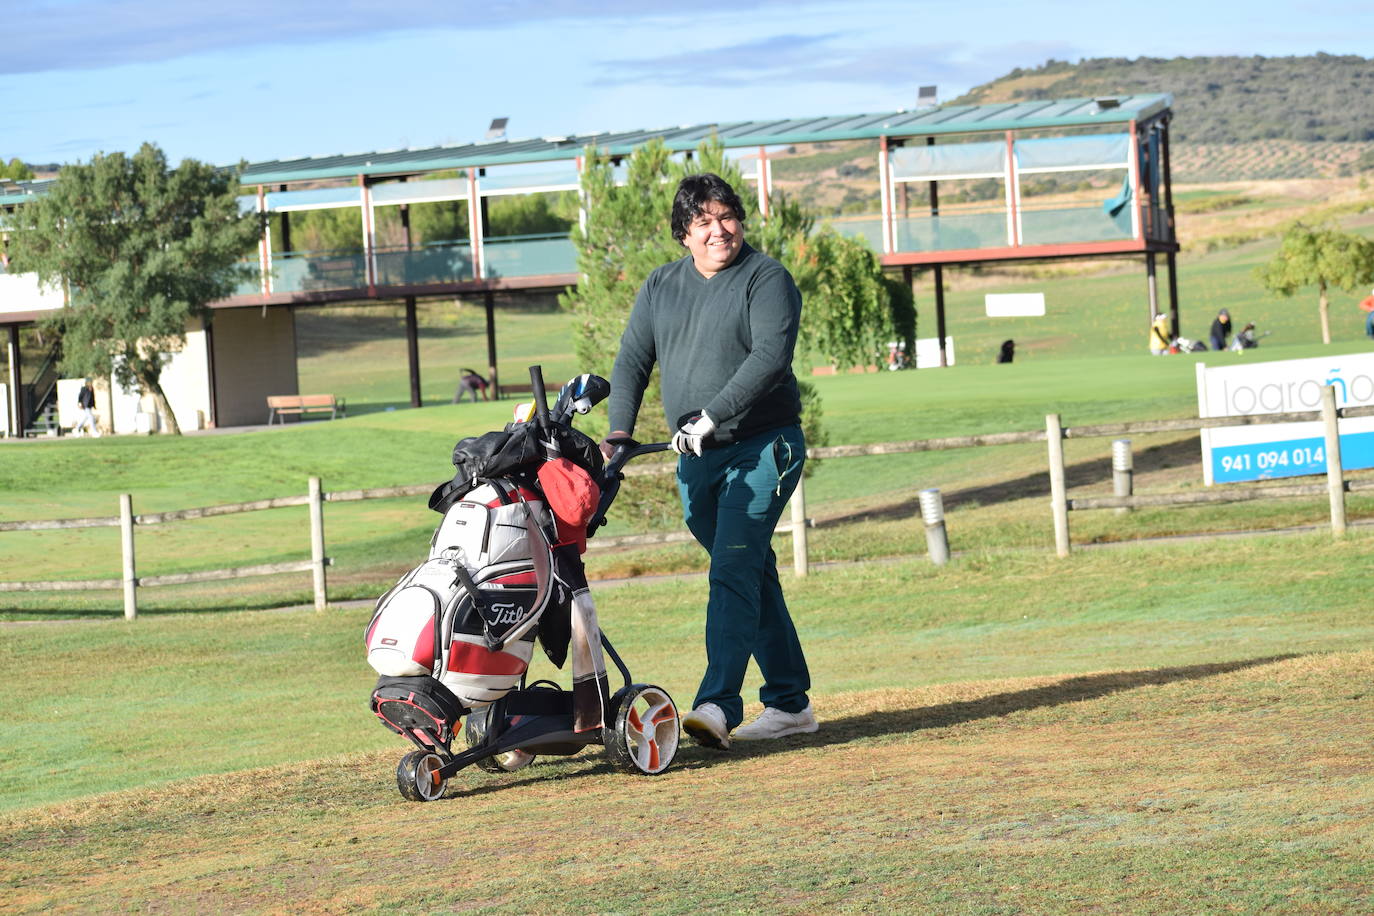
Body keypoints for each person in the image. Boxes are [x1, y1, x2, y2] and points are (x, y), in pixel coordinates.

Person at [604, 173, 815, 750]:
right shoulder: (660, 286)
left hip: (764, 445)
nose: (719, 231)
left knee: (732, 567)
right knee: (747, 572)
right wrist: (618, 434)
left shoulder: (766, 278)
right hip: (700, 457)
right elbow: (630, 363)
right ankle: (791, 703)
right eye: (703, 223)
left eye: (727, 218)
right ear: (684, 234)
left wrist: (713, 414)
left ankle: (717, 704)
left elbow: (771, 356)